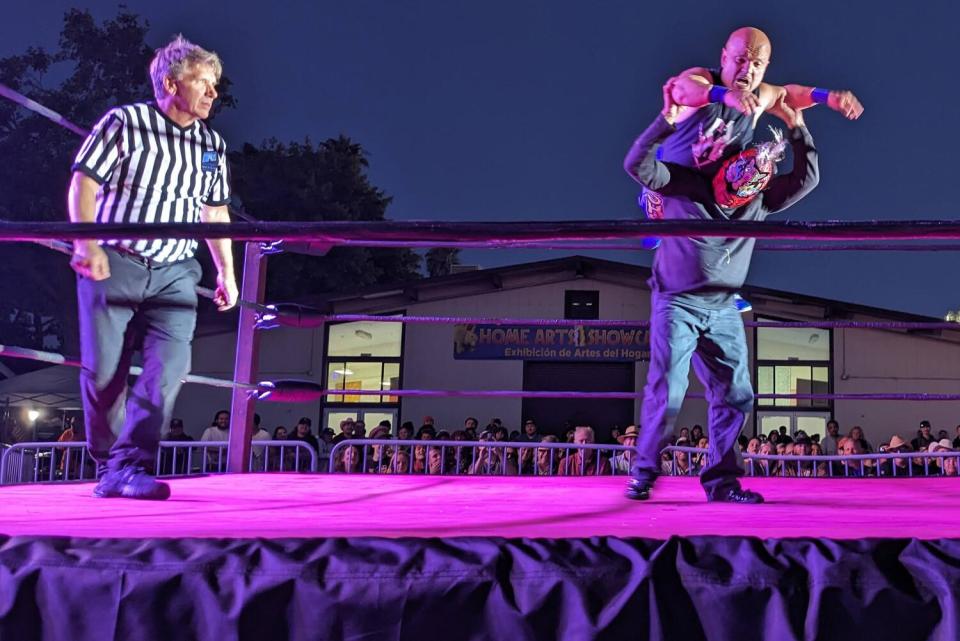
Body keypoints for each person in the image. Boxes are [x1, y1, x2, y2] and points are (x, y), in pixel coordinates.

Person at [622, 69, 820, 503]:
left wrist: (798, 126)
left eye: (747, 188)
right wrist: (666, 120)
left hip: (725, 307)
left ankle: (723, 481)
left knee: (737, 395)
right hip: (678, 301)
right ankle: (643, 473)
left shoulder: (758, 199)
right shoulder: (686, 183)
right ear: (726, 165)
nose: (738, 193)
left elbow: (807, 180)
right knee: (669, 388)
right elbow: (635, 165)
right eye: (735, 183)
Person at [70, 35, 236, 500]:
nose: (212, 93)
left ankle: (131, 463)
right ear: (171, 82)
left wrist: (226, 272)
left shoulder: (212, 146)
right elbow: (83, 182)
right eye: (204, 82)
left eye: (215, 85)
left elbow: (215, 212)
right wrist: (86, 243)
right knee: (104, 373)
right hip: (114, 260)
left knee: (168, 369)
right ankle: (109, 463)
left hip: (177, 271)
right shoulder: (124, 123)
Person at [636, 27, 862, 312]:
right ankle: (656, 220)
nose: (748, 69)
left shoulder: (758, 96)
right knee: (677, 213)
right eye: (740, 60)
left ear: (765, 67)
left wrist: (828, 97)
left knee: (744, 201)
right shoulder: (703, 79)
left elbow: (787, 95)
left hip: (715, 192)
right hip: (676, 183)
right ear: (725, 57)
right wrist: (724, 96)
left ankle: (721, 291)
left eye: (756, 64)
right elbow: (683, 88)